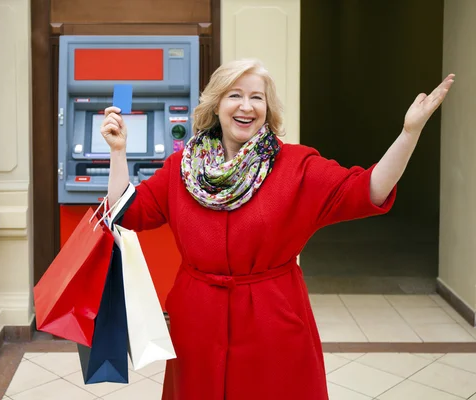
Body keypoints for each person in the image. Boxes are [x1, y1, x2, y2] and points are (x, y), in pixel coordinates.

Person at [99, 59, 455, 399]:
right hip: (197, 322)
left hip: (271, 320)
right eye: (235, 94)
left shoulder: (297, 166)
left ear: (268, 109)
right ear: (216, 104)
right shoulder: (183, 168)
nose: (246, 106)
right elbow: (126, 212)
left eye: (257, 97)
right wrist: (118, 153)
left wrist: (410, 132)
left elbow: (370, 189)